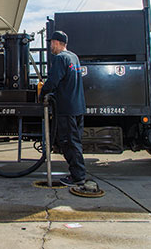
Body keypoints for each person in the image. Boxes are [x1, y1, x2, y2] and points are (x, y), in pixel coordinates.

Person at [40, 31, 88, 187]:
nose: (50, 46)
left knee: (69, 143)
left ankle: (78, 177)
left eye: (51, 43)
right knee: (75, 142)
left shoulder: (60, 58)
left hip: (67, 108)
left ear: (57, 42)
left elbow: (53, 81)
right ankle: (77, 173)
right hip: (78, 106)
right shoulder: (74, 57)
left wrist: (42, 93)